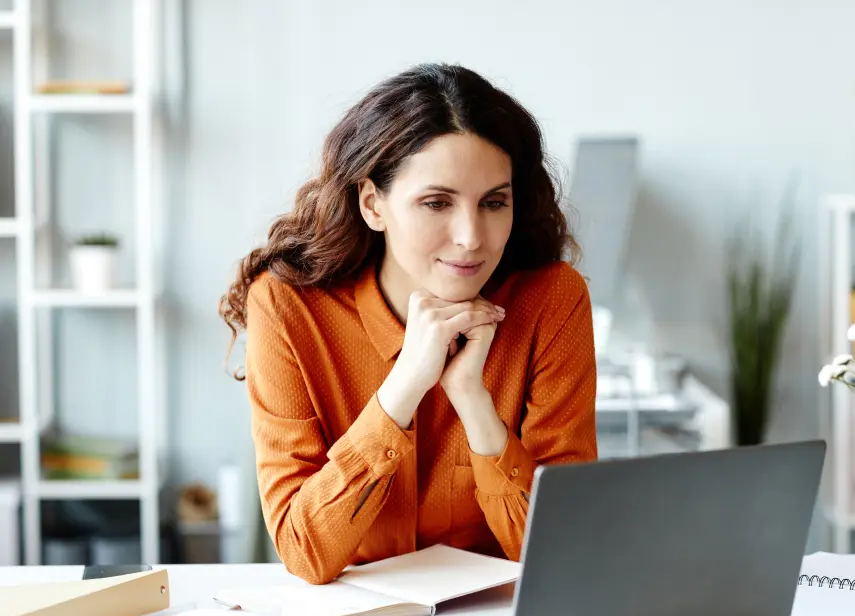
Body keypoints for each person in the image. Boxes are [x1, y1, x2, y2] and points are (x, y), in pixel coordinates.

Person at [218, 63, 598, 585]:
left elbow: (565, 553)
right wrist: (405, 386)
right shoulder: (288, 308)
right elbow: (304, 551)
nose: (471, 237)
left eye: (493, 202)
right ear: (373, 204)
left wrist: (473, 401)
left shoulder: (552, 300)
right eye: (436, 203)